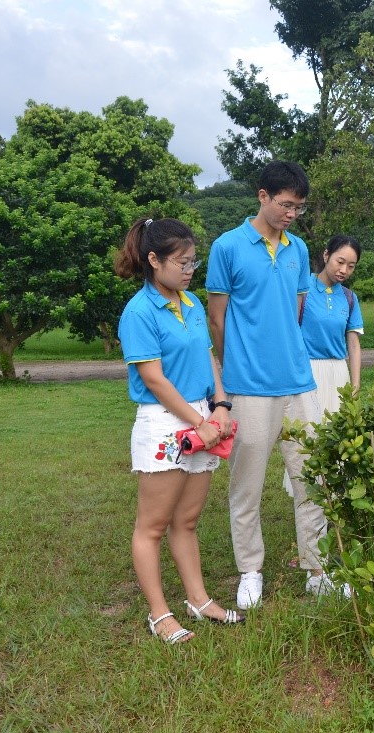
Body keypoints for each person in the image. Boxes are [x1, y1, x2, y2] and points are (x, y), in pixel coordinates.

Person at [206, 161, 344, 609]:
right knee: (247, 486)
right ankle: (250, 570)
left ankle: (318, 570)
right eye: (285, 205)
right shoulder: (227, 247)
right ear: (262, 196)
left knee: (312, 480)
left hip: (298, 382)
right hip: (248, 386)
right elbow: (216, 318)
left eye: (298, 208)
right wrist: (233, 368)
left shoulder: (298, 249)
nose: (291, 214)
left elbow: (296, 310)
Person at [116, 217, 242, 644]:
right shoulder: (139, 312)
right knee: (152, 526)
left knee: (186, 521)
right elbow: (154, 379)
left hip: (203, 417)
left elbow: (208, 358)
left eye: (193, 262)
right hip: (165, 422)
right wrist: (200, 423)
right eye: (182, 262)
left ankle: (199, 600)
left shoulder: (189, 303)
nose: (190, 270)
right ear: (154, 260)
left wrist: (220, 406)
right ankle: (159, 614)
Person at [282, 235, 365, 493]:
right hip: (306, 371)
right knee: (309, 435)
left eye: (351, 266)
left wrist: (355, 384)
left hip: (338, 372)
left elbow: (353, 344)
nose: (344, 270)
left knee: (339, 435)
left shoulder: (349, 298)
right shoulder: (303, 288)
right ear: (326, 255)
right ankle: (307, 494)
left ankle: (335, 496)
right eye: (340, 261)